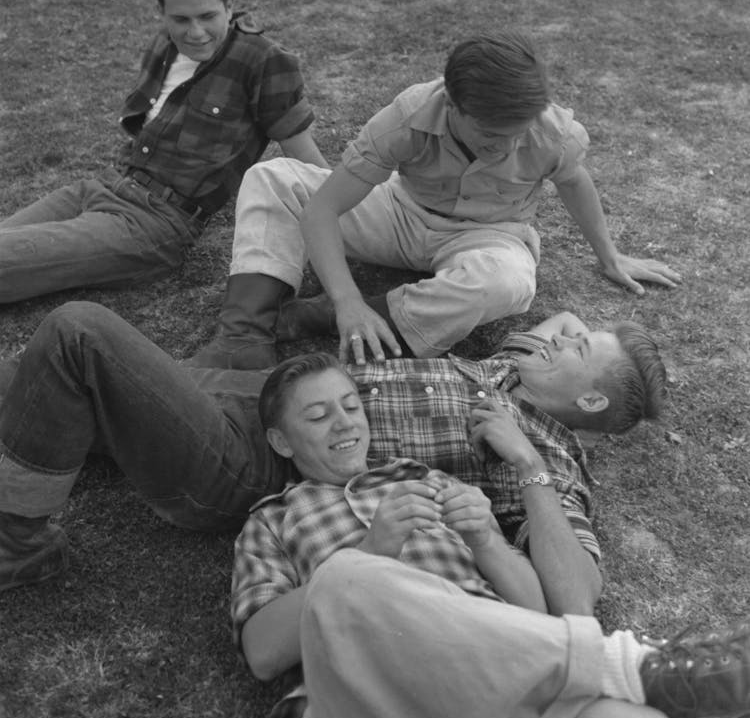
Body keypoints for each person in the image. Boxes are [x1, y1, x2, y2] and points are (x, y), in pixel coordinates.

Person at [231, 352, 749, 718]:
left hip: (494, 677)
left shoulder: (429, 480)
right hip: (373, 686)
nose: (345, 423)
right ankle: (634, 666)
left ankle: (641, 679)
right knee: (345, 576)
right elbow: (261, 653)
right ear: (280, 440)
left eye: (350, 406)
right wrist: (370, 553)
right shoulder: (271, 521)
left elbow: (547, 614)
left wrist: (485, 541)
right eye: (319, 416)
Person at [0, 304, 663, 595]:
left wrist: (524, 464)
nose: (558, 338)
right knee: (32, 378)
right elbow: (558, 323)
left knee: (76, 336)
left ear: (596, 404)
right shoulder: (507, 372)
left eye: (578, 349)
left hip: (254, 459)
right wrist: (583, 341)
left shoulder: (550, 456)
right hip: (258, 393)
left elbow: (575, 597)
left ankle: (21, 545)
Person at [190, 31, 680, 370]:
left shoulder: (555, 132)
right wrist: (348, 299)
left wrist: (610, 256)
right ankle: (245, 336)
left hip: (491, 235)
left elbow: (574, 182)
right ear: (453, 105)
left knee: (507, 282)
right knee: (274, 177)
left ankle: (304, 317)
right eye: (491, 135)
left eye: (518, 133)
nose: (508, 147)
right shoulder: (409, 115)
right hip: (401, 212)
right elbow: (322, 208)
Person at [0, 0, 327, 305]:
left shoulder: (264, 61)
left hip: (154, 224)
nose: (196, 32)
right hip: (102, 187)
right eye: (181, 20)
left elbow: (307, 162)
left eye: (208, 16)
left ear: (230, 6)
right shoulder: (164, 44)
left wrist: (359, 217)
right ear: (162, 14)